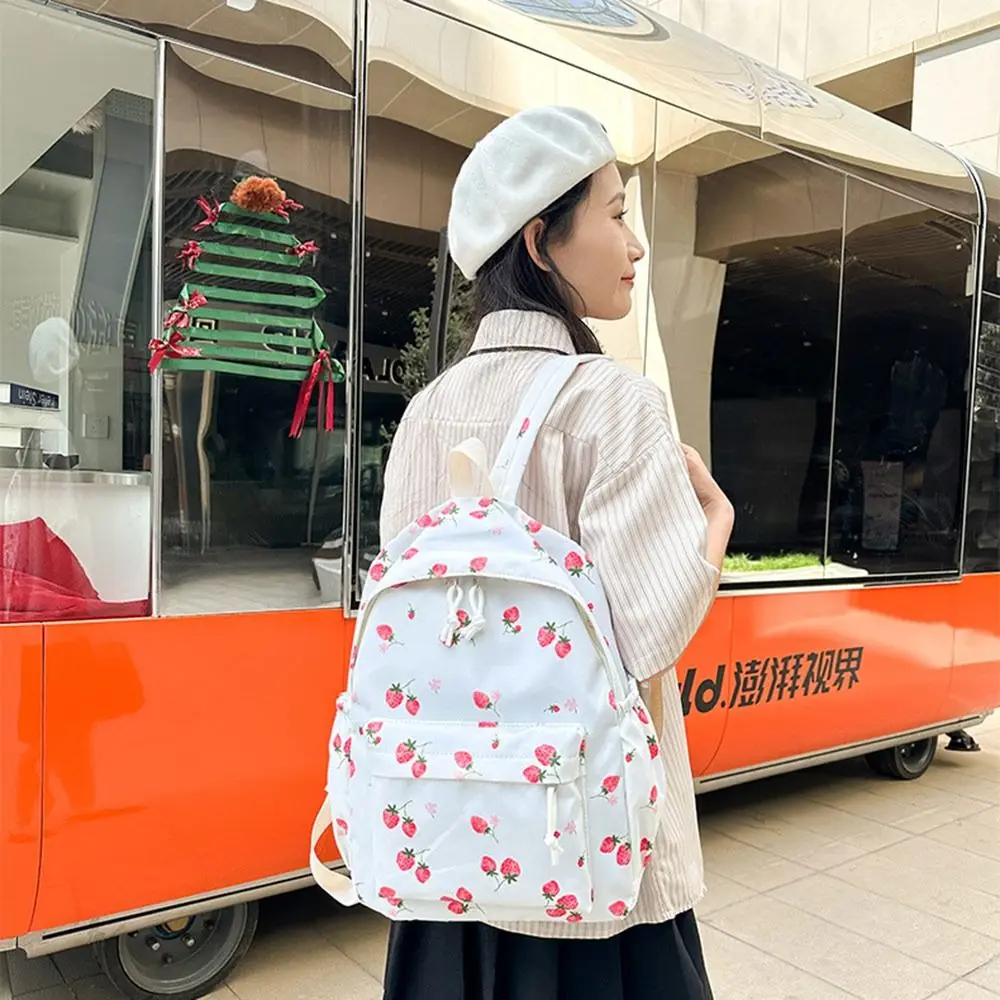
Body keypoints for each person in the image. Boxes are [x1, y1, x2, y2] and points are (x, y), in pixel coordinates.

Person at [377, 105, 735, 1000]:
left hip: (447, 859)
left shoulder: (427, 414)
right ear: (542, 240)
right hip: (594, 874)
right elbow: (646, 637)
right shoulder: (619, 403)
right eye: (617, 215)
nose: (637, 245)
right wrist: (714, 530)